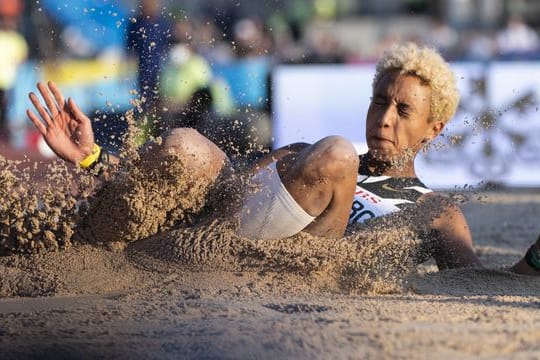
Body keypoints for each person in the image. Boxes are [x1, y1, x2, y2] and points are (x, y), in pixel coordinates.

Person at [26, 42, 540, 275]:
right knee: (187, 144)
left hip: (301, 273)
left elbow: (469, 280)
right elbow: (211, 192)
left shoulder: (436, 210)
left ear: (435, 129)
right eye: (379, 101)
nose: (384, 119)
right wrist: (93, 159)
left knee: (337, 155)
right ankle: (71, 242)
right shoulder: (305, 157)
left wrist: (533, 262)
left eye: (403, 110)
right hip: (214, 238)